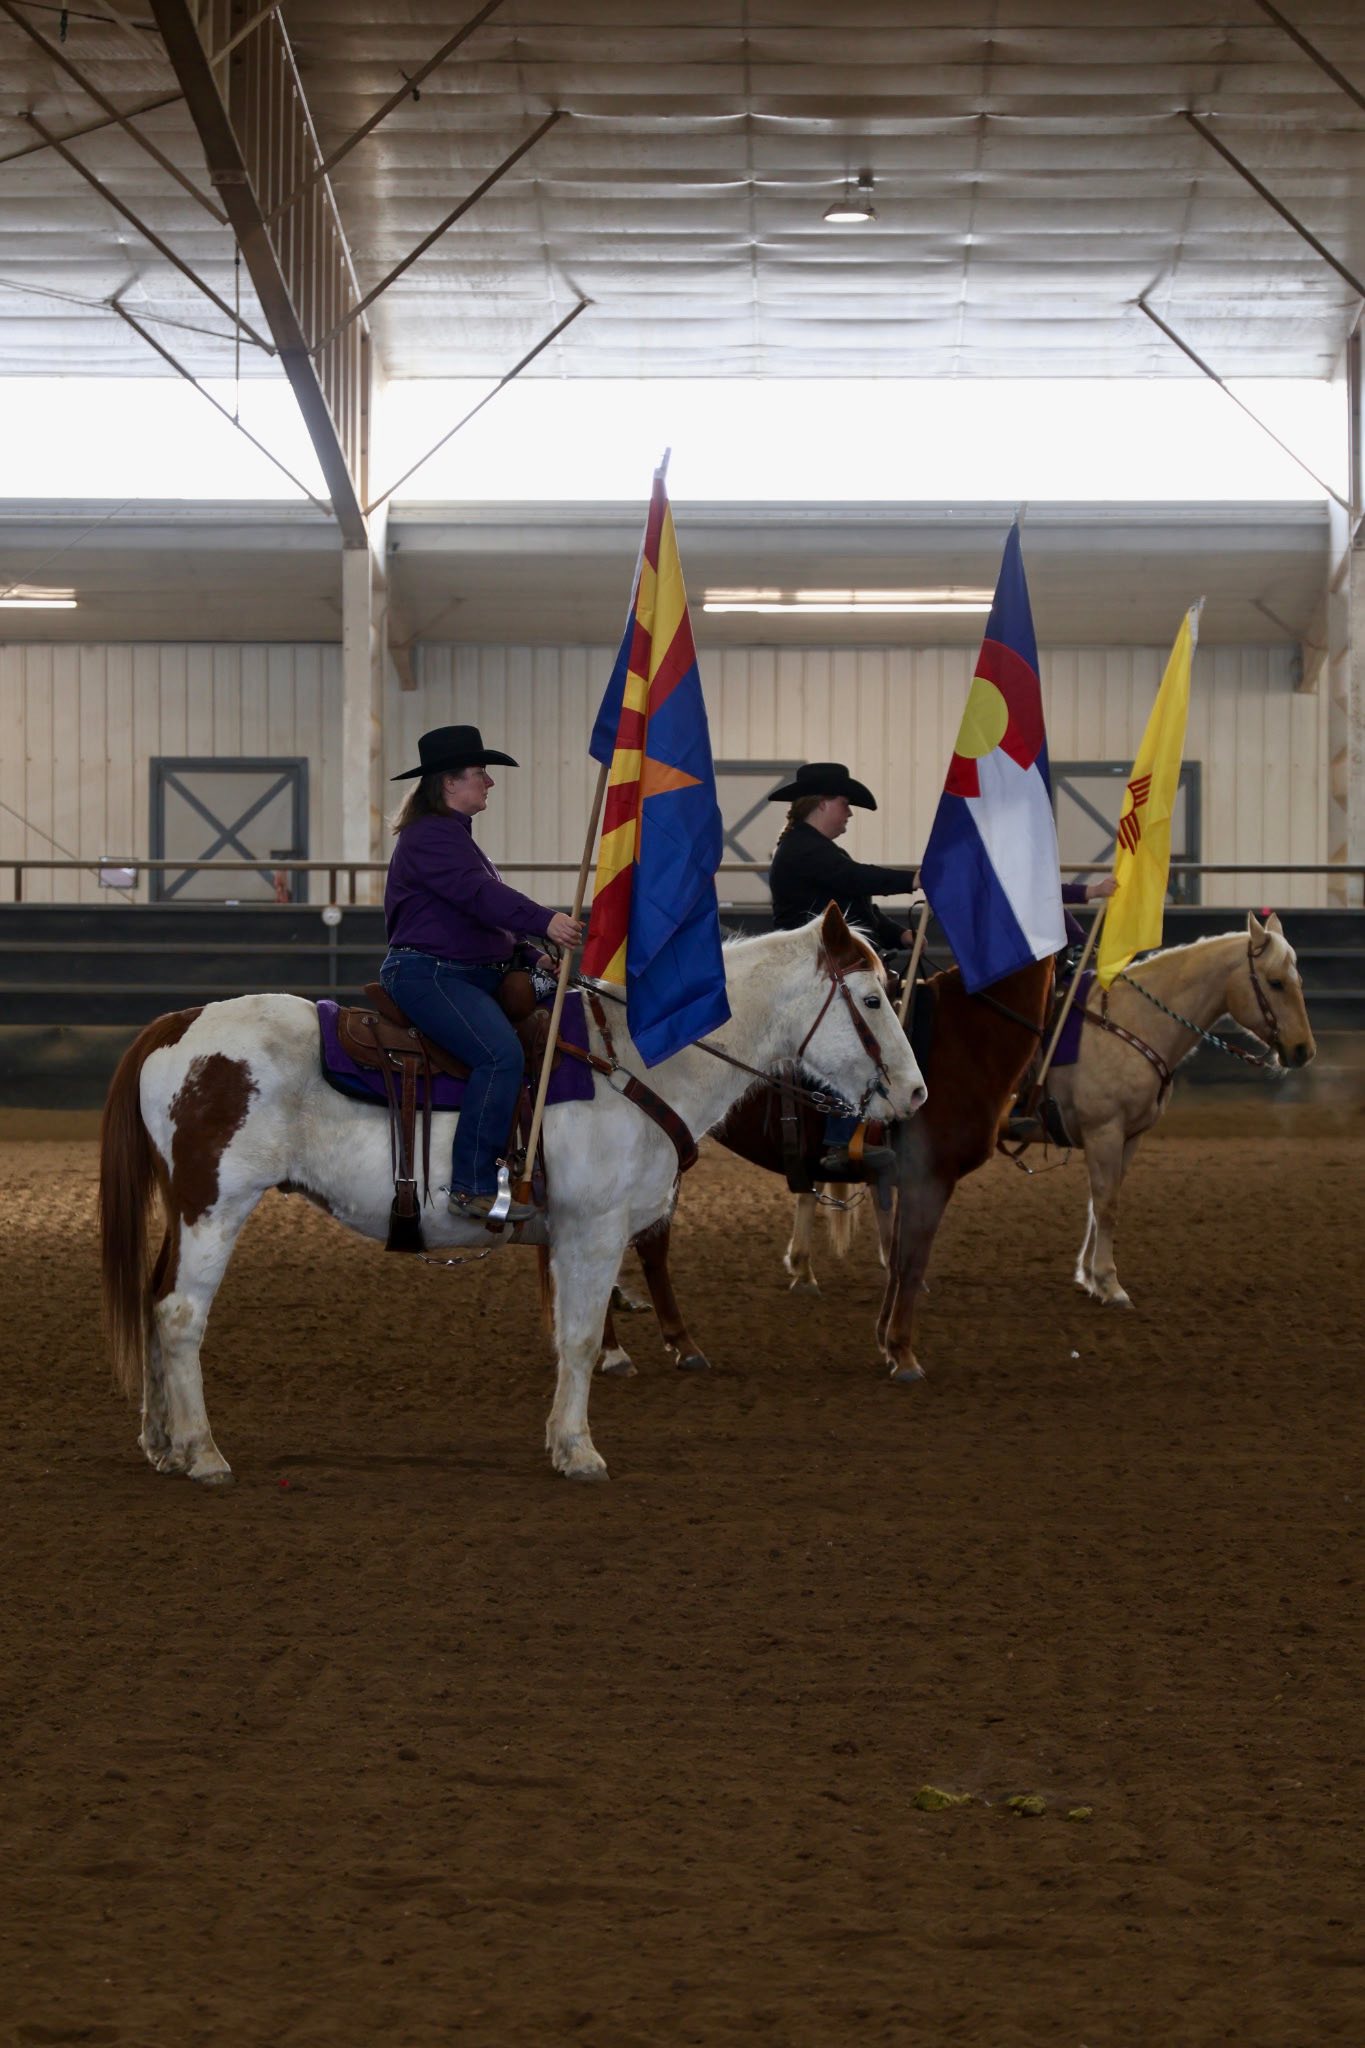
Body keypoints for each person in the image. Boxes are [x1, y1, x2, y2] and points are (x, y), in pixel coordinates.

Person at [381, 724, 584, 1223]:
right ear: (449, 782)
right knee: (499, 1055)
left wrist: (529, 956)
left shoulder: (451, 838)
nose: (489, 782)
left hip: (457, 973)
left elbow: (479, 915)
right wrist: (545, 921)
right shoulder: (432, 836)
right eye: (480, 773)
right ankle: (471, 1186)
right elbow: (480, 897)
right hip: (433, 975)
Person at [766, 762, 922, 1179]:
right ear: (823, 804)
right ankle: (840, 1139)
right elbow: (853, 879)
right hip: (812, 968)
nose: (849, 813)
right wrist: (913, 879)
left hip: (829, 962)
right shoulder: (804, 849)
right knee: (847, 1031)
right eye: (845, 804)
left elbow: (858, 907)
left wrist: (900, 936)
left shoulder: (813, 849)